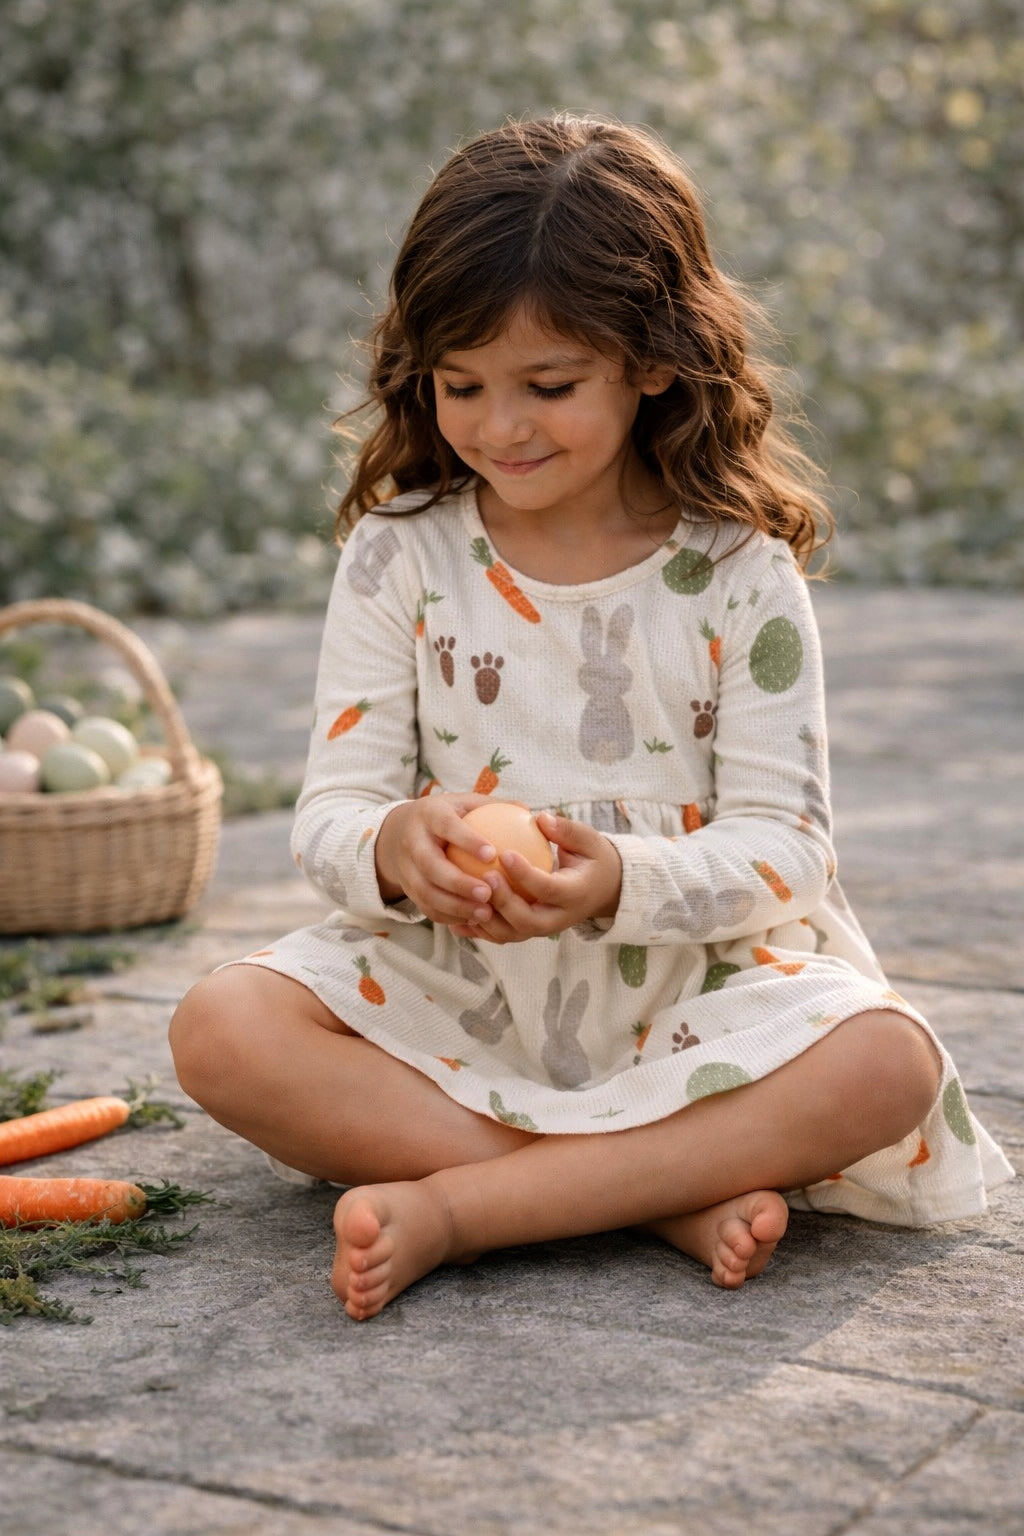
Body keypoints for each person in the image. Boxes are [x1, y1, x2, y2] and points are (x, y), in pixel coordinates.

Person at [169, 114, 1013, 1321]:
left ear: (655, 359)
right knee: (221, 1026)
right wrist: (395, 851)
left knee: (889, 1062)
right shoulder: (398, 557)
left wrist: (619, 877)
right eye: (460, 385)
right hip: (465, 991)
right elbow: (333, 814)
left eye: (547, 386)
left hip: (694, 998)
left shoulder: (738, 573)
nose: (499, 427)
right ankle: (654, 1192)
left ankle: (463, 1205)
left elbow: (789, 849)